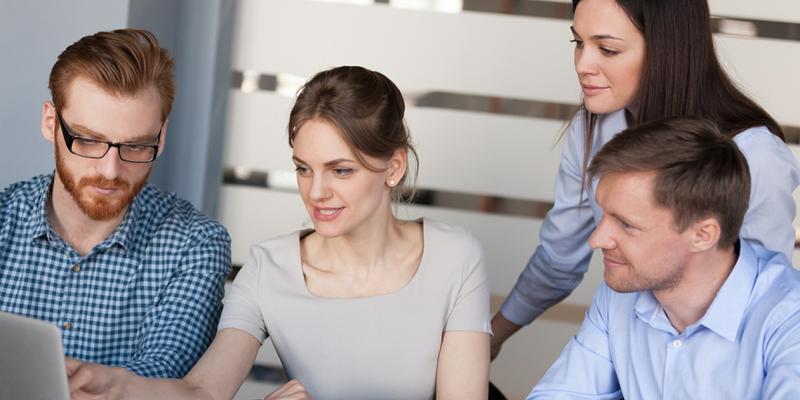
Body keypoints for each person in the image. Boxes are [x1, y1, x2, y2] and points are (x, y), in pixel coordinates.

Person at [66, 66, 491, 399]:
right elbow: (202, 391)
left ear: (393, 168)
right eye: (303, 169)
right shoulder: (270, 267)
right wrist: (117, 386)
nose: (316, 192)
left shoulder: (454, 257)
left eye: (340, 170)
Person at [491, 0, 800, 359]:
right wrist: (493, 336)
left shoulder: (753, 155)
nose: (583, 65)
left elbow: (763, 302)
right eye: (578, 43)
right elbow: (560, 258)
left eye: (607, 49)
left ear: (667, 50)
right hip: (628, 352)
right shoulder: (594, 126)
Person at [0, 29, 231, 378]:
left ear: (161, 136)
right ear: (51, 124)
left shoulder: (195, 245)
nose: (111, 170)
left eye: (136, 146)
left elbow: (162, 376)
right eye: (89, 140)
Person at [527, 117, 800, 399]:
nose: (596, 240)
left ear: (703, 235)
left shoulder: (789, 318)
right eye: (604, 215)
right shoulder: (620, 294)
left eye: (626, 224)